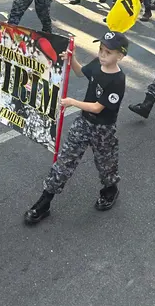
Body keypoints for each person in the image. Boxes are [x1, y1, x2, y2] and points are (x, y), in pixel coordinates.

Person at [23, 31, 127, 225]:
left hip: (103, 128)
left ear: (120, 56)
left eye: (108, 52)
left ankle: (110, 189)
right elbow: (81, 72)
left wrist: (73, 101)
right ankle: (45, 201)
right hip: (83, 123)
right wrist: (72, 58)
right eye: (101, 50)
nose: (103, 55)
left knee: (106, 164)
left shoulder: (118, 80)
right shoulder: (98, 63)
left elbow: (97, 107)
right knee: (65, 160)